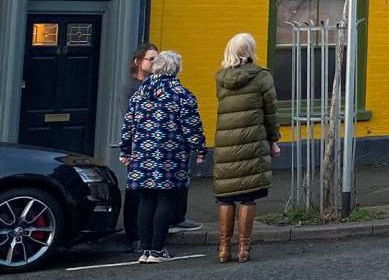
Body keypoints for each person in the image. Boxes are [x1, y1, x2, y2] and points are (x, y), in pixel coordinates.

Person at [120, 50, 206, 264]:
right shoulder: (181, 94)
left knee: (146, 199)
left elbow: (128, 125)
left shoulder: (139, 94)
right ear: (176, 69)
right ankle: (158, 250)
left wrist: (125, 151)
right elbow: (191, 127)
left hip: (142, 154)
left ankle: (145, 249)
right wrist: (200, 149)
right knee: (166, 199)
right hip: (170, 154)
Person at [212, 33, 281, 263]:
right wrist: (274, 138)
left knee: (226, 197)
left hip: (226, 144)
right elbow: (270, 111)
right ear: (250, 50)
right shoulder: (262, 77)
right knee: (248, 198)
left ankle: (223, 248)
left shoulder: (220, 77)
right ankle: (244, 249)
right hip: (252, 141)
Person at [118, 42, 158, 250]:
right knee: (135, 192)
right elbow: (129, 118)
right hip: (137, 145)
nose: (154, 63)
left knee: (153, 191)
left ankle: (151, 232)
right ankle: (133, 235)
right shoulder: (130, 87)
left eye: (156, 59)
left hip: (155, 144)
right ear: (138, 61)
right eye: (151, 59)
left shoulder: (157, 84)